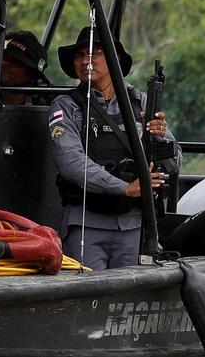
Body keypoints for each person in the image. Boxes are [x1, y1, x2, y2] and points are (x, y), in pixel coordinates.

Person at [49, 26, 181, 270]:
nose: (85, 61)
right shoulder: (67, 106)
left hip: (133, 225)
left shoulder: (140, 102)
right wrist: (124, 188)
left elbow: (174, 163)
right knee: (85, 298)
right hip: (87, 224)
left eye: (94, 53)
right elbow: (71, 163)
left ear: (114, 59)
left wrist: (160, 137)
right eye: (78, 56)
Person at [0, 30, 51, 105]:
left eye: (16, 60)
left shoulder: (45, 107)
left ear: (32, 74)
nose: (4, 61)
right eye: (4, 55)